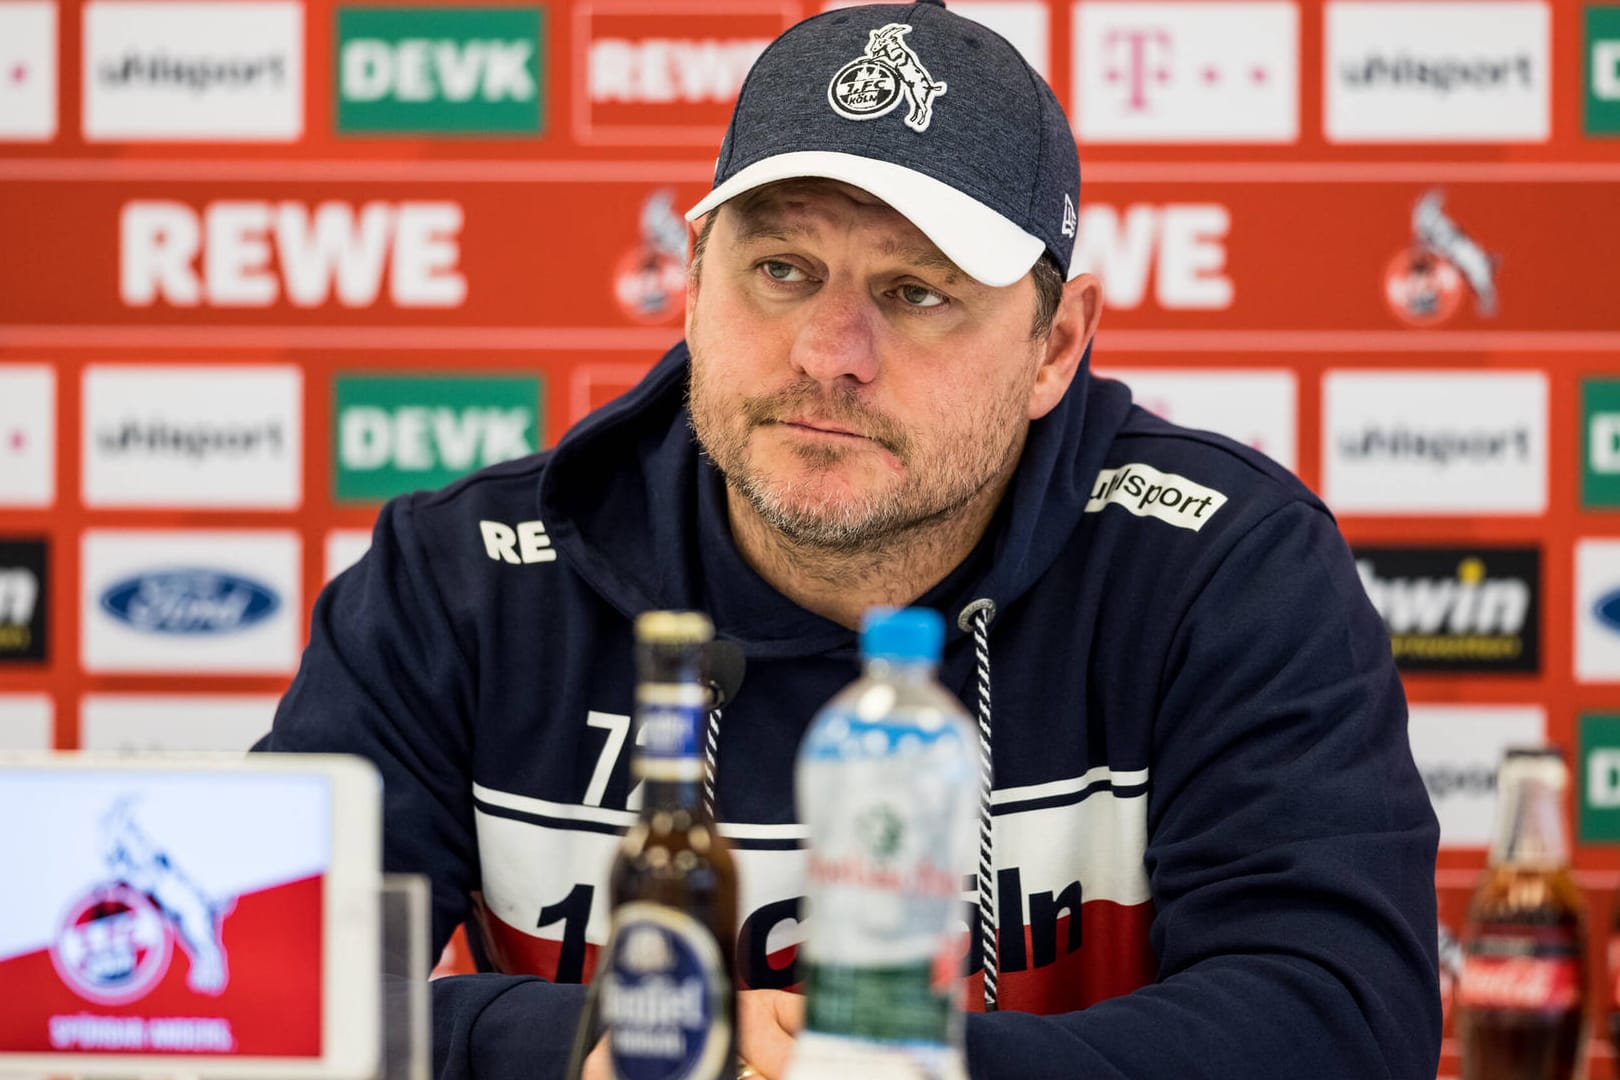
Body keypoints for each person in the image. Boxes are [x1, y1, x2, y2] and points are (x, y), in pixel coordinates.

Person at [258, 2, 1442, 1078]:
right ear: (691, 284)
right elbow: (245, 989)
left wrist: (891, 1071)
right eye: (780, 269)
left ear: (1056, 345)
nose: (831, 351)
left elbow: (1342, 1018)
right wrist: (590, 1048)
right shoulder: (463, 580)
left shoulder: (1223, 571)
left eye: (917, 291)